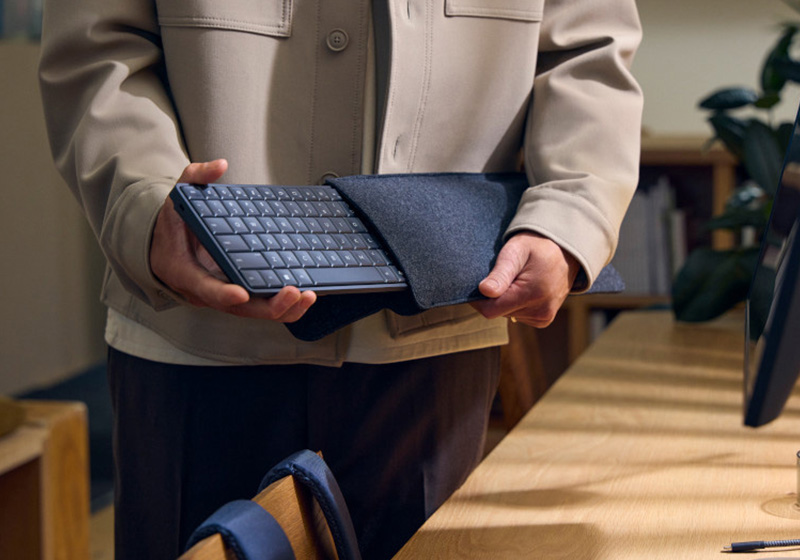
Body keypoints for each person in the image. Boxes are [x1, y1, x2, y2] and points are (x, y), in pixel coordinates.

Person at [38, 0, 643, 557]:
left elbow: (587, 53)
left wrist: (569, 217)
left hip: (435, 336)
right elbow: (99, 46)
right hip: (195, 341)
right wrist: (143, 203)